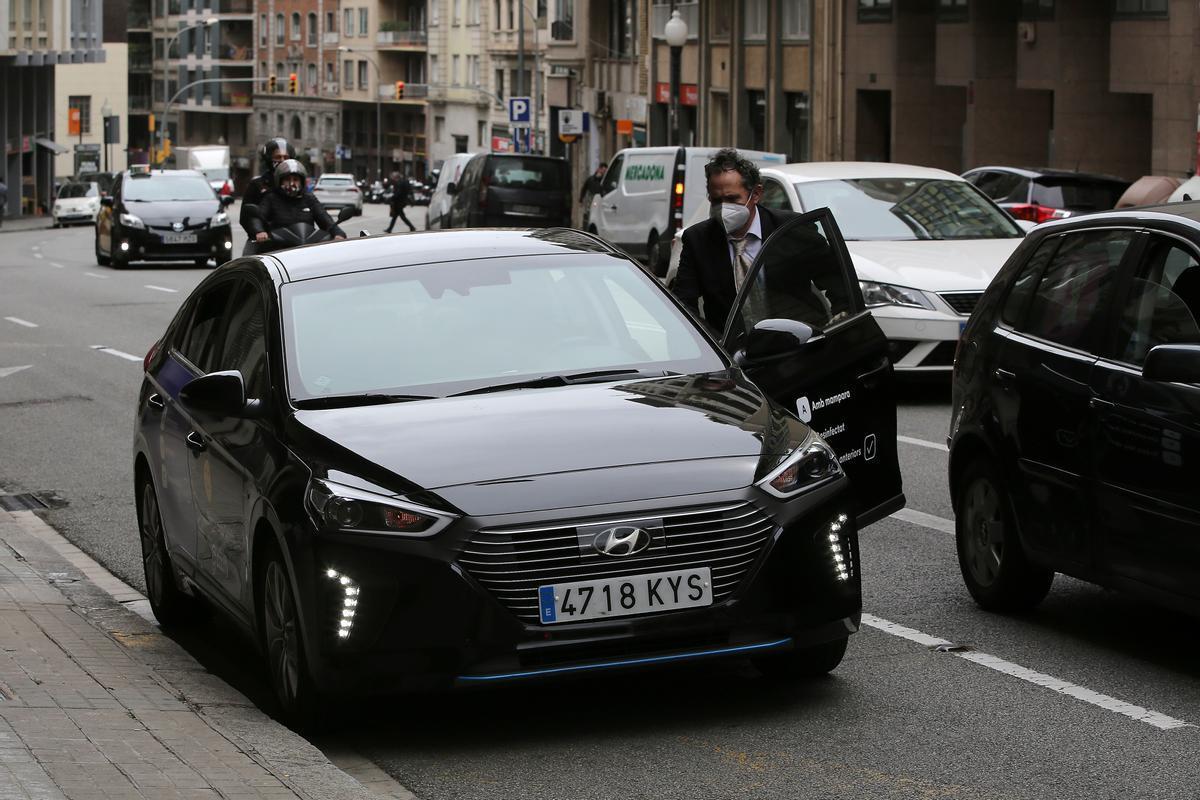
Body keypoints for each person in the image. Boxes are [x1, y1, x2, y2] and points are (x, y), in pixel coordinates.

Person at [672, 148, 850, 333]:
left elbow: (837, 281)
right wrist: (713, 344)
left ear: (756, 194)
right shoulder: (698, 240)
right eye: (717, 200)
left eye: (733, 199)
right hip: (733, 353)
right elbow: (684, 304)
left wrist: (841, 318)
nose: (724, 208)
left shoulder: (792, 229)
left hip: (796, 343)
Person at [248, 159, 346, 246]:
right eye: (287, 179)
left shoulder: (309, 198)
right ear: (279, 181)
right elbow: (258, 217)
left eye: (295, 180)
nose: (292, 183)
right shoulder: (271, 198)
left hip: (306, 248)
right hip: (278, 248)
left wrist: (338, 233)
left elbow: (324, 218)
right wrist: (260, 231)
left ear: (302, 182)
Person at [240, 137, 296, 241]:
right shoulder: (257, 184)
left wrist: (333, 232)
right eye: (278, 157)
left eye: (286, 157)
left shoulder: (297, 186)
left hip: (295, 239)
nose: (282, 161)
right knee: (250, 255)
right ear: (269, 159)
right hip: (265, 240)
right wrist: (257, 231)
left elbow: (315, 210)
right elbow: (247, 216)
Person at [578, 163, 607, 228]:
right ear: (599, 169)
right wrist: (581, 200)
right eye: (603, 170)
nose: (604, 172)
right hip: (591, 201)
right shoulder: (590, 179)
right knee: (589, 215)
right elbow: (584, 189)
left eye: (605, 171)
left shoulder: (605, 180)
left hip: (601, 201)